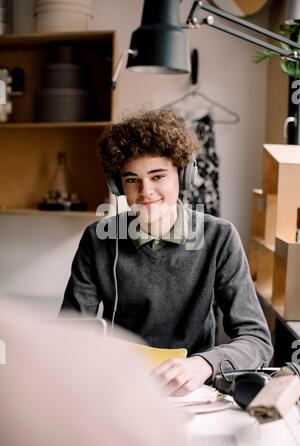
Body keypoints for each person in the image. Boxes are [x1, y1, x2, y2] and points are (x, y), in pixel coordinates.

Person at [60, 109, 273, 396]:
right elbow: (70, 335)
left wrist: (204, 365)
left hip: (194, 389)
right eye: (132, 179)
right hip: (119, 387)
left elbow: (257, 340)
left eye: (157, 176)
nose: (146, 191)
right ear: (118, 185)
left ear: (183, 175)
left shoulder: (219, 237)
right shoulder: (97, 239)